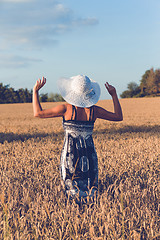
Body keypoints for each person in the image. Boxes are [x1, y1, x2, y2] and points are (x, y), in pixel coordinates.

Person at [33, 75, 123, 204]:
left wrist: (35, 91)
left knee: (71, 186)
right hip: (89, 152)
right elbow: (118, 116)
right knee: (89, 185)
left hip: (71, 152)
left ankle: (74, 212)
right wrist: (114, 94)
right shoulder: (94, 111)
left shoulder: (66, 109)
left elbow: (38, 113)